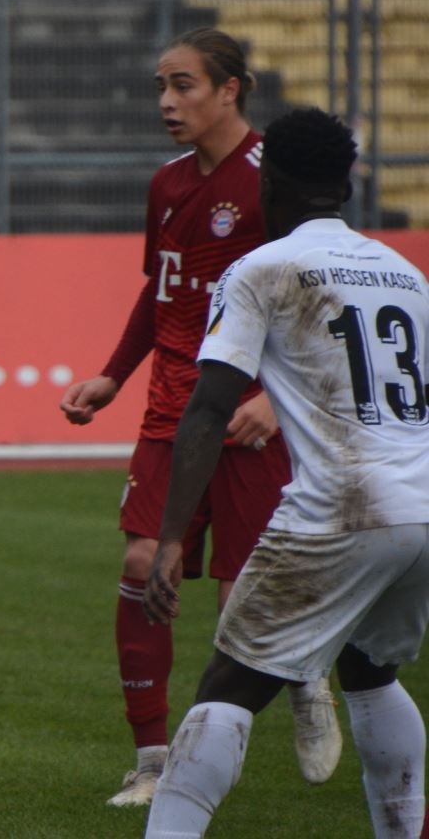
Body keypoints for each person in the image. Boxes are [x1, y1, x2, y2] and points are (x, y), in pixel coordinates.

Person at [58, 27, 341, 807]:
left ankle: (306, 671)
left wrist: (274, 401)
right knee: (142, 566)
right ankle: (152, 761)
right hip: (171, 411)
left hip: (250, 416)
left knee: (241, 601)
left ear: (232, 89)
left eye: (183, 85)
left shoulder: (271, 184)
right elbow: (164, 289)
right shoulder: (168, 184)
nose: (166, 102)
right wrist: (113, 376)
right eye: (161, 85)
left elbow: (315, 305)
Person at [143, 107, 429, 839]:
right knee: (369, 670)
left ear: (268, 183)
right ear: (347, 186)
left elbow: (208, 410)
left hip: (343, 507)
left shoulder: (262, 268)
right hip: (422, 506)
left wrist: (172, 538)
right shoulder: (406, 274)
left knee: (227, 686)